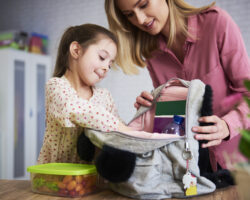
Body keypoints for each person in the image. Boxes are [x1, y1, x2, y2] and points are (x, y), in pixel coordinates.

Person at [105, 0, 250, 171]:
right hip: (194, 166)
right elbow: (176, 118)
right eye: (129, 15)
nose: (140, 19)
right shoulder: (152, 53)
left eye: (143, 4)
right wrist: (152, 110)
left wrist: (227, 126)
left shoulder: (216, 23)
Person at [37, 24, 130, 164]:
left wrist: (138, 122)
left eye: (110, 64)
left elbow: (118, 131)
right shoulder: (56, 86)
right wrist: (119, 127)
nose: (106, 68)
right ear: (76, 50)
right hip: (56, 177)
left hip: (90, 177)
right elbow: (74, 109)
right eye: (102, 57)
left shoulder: (104, 96)